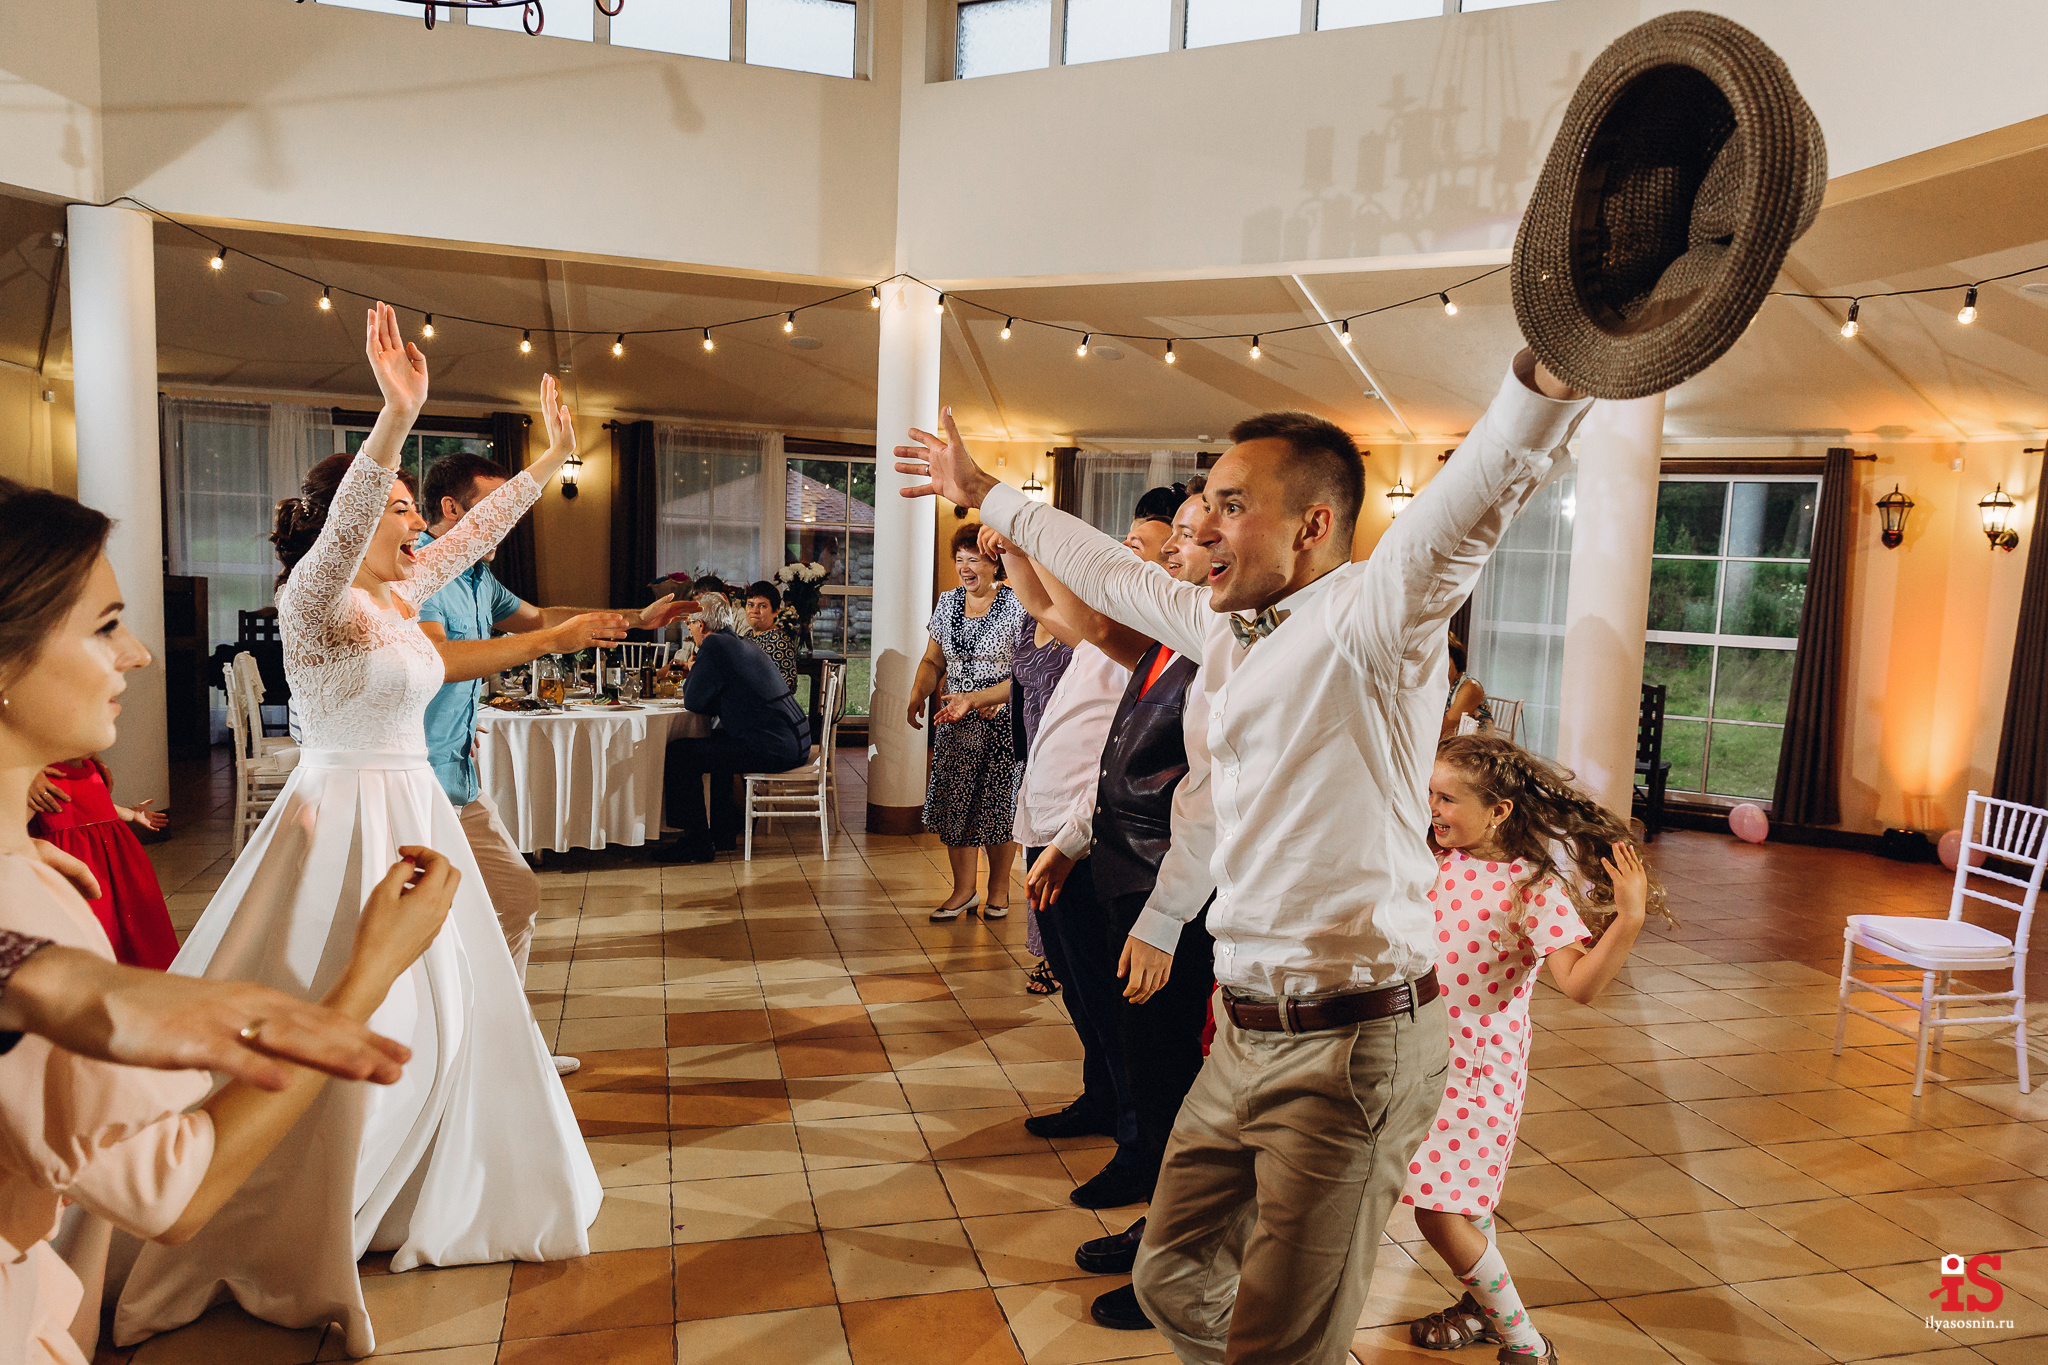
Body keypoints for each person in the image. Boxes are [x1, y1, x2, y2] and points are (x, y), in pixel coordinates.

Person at [894, 349, 1592, 1365]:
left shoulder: (1374, 618)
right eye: (1201, 503)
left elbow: (1475, 500)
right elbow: (1108, 571)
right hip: (1247, 1036)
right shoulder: (1222, 627)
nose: (1200, 526)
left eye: (1228, 505)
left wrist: (1545, 386)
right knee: (1172, 1277)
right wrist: (981, 488)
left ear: (1312, 525)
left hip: (1351, 1047)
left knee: (1280, 1339)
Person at [117, 306, 602, 1357]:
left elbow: (470, 534)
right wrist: (395, 419)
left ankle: (410, 1194)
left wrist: (550, 461)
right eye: (392, 509)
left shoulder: (394, 599)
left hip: (415, 809)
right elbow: (347, 535)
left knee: (446, 1016)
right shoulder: (317, 600)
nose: (412, 524)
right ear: (348, 520)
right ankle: (308, 1205)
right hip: (339, 828)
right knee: (356, 1015)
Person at [0, 471, 459, 1365]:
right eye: (103, 628)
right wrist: (362, 978)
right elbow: (175, 1188)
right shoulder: (27, 899)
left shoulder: (31, 873)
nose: (136, 653)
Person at [414, 448, 673, 1076]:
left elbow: (535, 619)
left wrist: (632, 619)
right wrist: (548, 642)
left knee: (512, 895)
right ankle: (445, 1052)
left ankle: (497, 1040)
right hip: (410, 780)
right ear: (451, 509)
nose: (508, 524)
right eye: (497, 508)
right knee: (434, 920)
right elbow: (439, 660)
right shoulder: (417, 569)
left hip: (457, 780)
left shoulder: (478, 576)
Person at [1404, 735, 1662, 1364]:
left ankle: (1526, 1344)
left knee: (1437, 1211)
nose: (1431, 807)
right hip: (1412, 1058)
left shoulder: (1531, 887)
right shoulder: (1430, 860)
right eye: (1430, 794)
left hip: (1475, 1073)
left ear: (1499, 811)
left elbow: (1578, 985)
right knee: (1460, 1201)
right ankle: (1482, 1309)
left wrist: (1627, 919)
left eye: (1447, 798)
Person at [910, 522, 1026, 920]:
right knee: (955, 805)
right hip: (954, 724)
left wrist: (987, 697)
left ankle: (998, 890)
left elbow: (1029, 671)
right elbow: (932, 660)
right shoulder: (947, 603)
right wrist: (917, 693)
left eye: (973, 558)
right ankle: (963, 891)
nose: (964, 566)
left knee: (999, 807)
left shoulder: (1018, 603)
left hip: (1003, 720)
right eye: (959, 559)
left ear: (994, 563)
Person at [650, 592, 811, 864]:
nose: (689, 629)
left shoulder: (714, 647)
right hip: (794, 738)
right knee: (717, 739)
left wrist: (695, 670)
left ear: (702, 625)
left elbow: (693, 700)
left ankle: (696, 842)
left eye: (690, 623)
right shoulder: (741, 642)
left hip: (776, 746)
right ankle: (723, 832)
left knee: (680, 754)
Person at [27, 755, 179, 969]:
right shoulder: (43, 779)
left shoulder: (92, 769)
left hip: (118, 866)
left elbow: (98, 804)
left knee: (137, 927)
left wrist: (131, 814)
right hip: (81, 867)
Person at [740, 580, 801, 692]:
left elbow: (782, 691)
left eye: (762, 606)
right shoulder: (748, 635)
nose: (755, 611)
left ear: (775, 611)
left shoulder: (779, 642)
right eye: (750, 605)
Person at [1441, 634, 1492, 740]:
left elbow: (1444, 732)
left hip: (1475, 752)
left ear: (1455, 658)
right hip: (1451, 749)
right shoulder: (1442, 687)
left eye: (1444, 657)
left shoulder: (1471, 687)